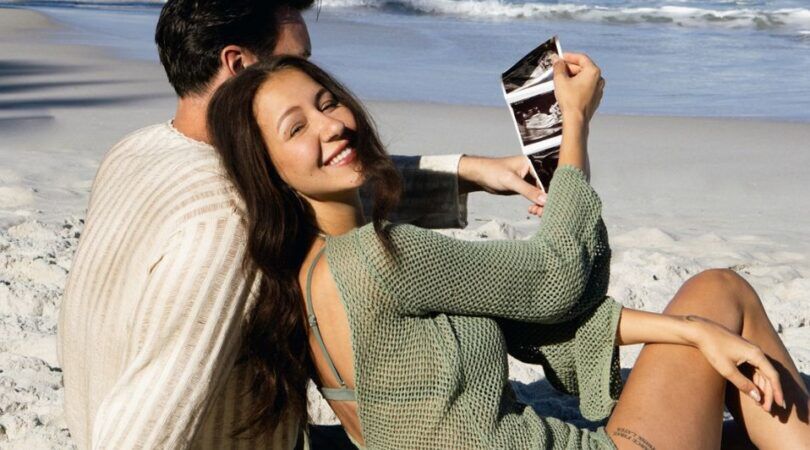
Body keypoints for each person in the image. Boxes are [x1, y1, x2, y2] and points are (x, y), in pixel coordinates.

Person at [206, 55, 810, 449]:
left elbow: (536, 324)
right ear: (270, 170)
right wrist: (573, 121)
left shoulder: (307, 275)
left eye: (326, 102)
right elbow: (559, 279)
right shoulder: (379, 257)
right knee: (722, 289)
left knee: (707, 320)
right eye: (296, 128)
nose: (330, 125)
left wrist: (690, 332)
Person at [56, 1, 547, 449]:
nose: (310, 76)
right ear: (239, 65)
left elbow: (312, 186)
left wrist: (469, 172)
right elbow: (137, 436)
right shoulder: (229, 222)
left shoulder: (138, 149)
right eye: (294, 61)